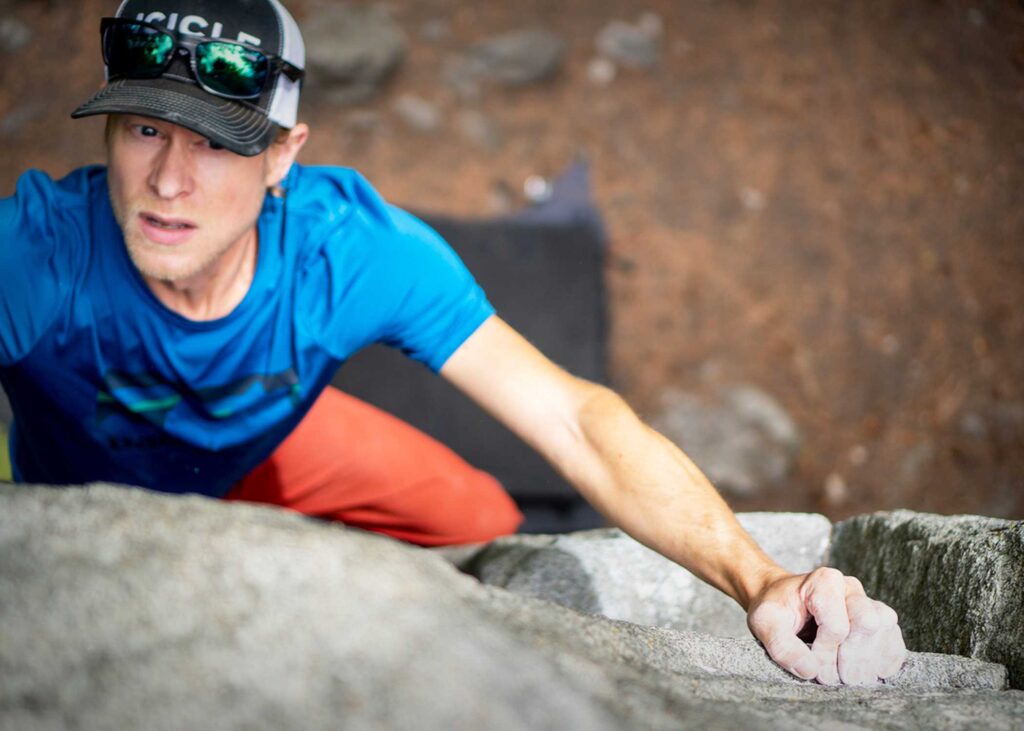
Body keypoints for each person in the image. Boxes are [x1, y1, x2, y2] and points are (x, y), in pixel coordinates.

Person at [0, 0, 905, 686]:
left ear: (283, 157)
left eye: (214, 143)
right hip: (91, 502)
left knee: (481, 517)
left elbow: (576, 420)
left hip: (261, 451)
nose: (167, 180)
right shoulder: (39, 256)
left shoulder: (346, 251)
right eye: (145, 128)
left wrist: (761, 579)